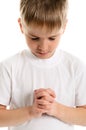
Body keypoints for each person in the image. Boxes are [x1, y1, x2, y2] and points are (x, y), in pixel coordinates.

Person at [0, 0, 86, 130]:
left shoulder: (75, 66)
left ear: (64, 27)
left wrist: (55, 109)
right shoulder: (9, 67)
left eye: (52, 38)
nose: (43, 47)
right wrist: (31, 111)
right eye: (34, 38)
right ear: (21, 26)